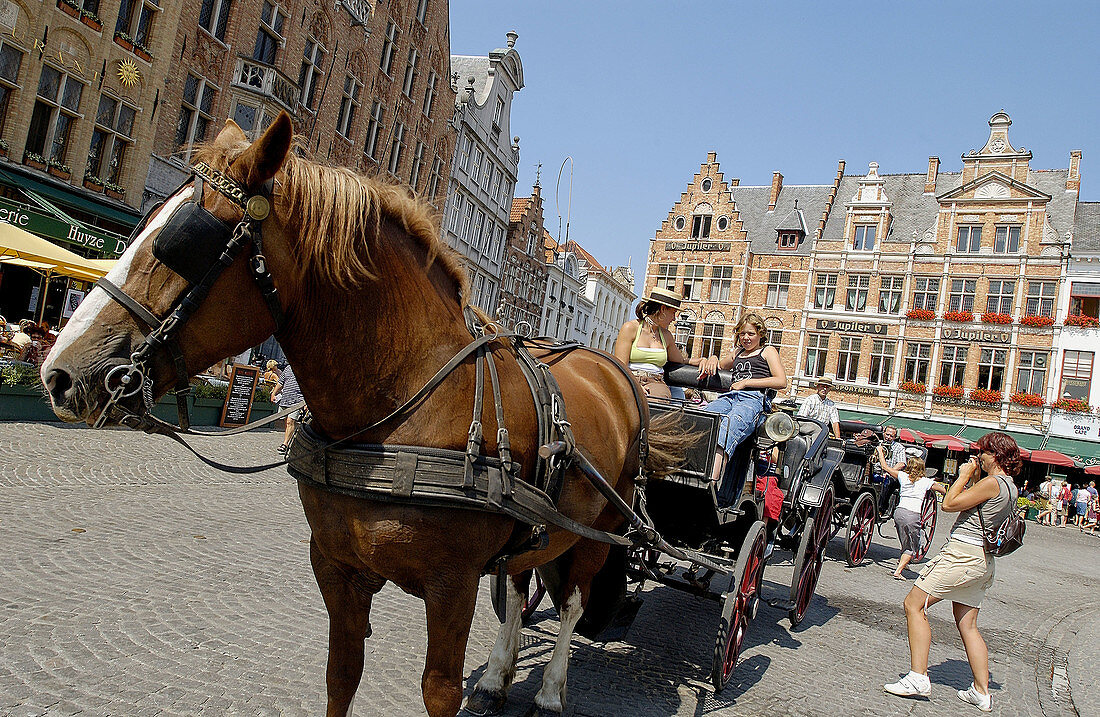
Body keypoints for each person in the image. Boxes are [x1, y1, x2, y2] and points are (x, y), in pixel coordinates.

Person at [884, 432, 1020, 712]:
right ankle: (982, 692)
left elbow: (948, 505)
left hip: (962, 555)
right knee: (967, 624)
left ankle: (918, 677)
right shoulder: (1010, 486)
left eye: (982, 452)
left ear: (994, 455)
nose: (978, 456)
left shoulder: (993, 482)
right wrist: (972, 479)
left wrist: (963, 475)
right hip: (982, 561)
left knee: (914, 604)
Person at [703, 313, 788, 486]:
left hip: (753, 400)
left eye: (750, 334)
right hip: (730, 397)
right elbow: (719, 364)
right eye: (742, 334)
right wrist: (712, 358)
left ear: (760, 334)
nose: (746, 338)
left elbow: (781, 381)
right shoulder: (737, 352)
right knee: (704, 418)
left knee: (727, 428)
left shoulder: (767, 351)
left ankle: (711, 482)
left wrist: (746, 383)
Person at [613, 287, 719, 399]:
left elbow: (681, 360)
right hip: (630, 379)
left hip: (656, 383)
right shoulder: (630, 328)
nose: (674, 319)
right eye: (673, 313)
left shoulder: (666, 335)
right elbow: (621, 366)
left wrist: (704, 359)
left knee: (658, 401)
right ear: (663, 309)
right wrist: (635, 384)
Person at [875, 448, 946, 578]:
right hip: (912, 515)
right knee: (914, 545)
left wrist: (880, 451)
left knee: (905, 539)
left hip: (899, 513)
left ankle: (904, 561)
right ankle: (898, 571)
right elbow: (943, 490)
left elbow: (885, 467)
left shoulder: (903, 476)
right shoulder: (926, 482)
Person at [272, 363, 303, 455]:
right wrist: (274, 393)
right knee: (286, 422)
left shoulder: (305, 369)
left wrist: (305, 401)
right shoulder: (288, 368)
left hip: (297, 401)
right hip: (285, 399)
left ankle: (285, 444)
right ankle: (289, 440)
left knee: (290, 421)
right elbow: (280, 382)